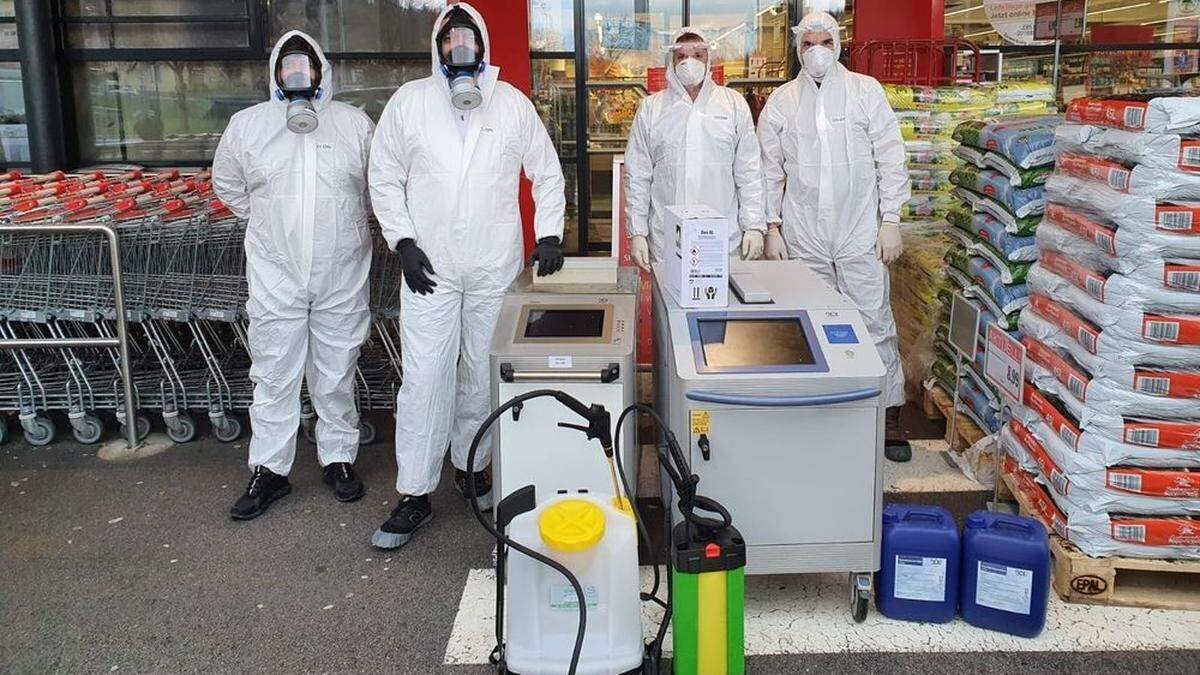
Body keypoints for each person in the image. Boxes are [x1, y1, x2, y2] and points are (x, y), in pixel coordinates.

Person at [368, 2, 566, 549]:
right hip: (429, 268)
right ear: (437, 47)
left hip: (492, 267)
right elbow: (383, 176)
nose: (460, 50)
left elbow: (545, 172)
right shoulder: (409, 104)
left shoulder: (512, 104)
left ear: (483, 45)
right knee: (427, 376)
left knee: (481, 371)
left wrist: (548, 233)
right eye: (450, 41)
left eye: (468, 40)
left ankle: (473, 467)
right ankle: (414, 492)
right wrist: (402, 241)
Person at [213, 30, 376, 520]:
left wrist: (348, 229)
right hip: (275, 274)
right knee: (274, 374)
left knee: (335, 371)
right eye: (289, 67)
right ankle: (270, 470)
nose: (299, 75)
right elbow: (227, 184)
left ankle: (339, 458)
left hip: (341, 271)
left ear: (322, 71)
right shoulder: (249, 126)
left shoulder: (353, 125)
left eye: (306, 66)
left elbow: (375, 185)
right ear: (275, 73)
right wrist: (265, 226)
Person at [757, 11, 913, 462]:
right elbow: (770, 170)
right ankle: (825, 411)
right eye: (808, 44)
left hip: (860, 228)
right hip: (804, 232)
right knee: (813, 324)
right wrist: (771, 226)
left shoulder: (866, 93)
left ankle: (889, 417)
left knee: (873, 320)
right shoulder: (782, 102)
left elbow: (890, 156)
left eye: (824, 41)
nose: (816, 51)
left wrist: (891, 219)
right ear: (797, 48)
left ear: (839, 44)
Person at [625, 27, 765, 269]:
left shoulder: (732, 104)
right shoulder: (652, 108)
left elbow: (749, 171)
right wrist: (637, 231)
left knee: (722, 304)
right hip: (667, 237)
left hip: (722, 238)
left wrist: (754, 225)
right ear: (672, 61)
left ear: (708, 59)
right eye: (682, 56)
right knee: (669, 304)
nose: (689, 62)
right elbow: (638, 175)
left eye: (698, 55)